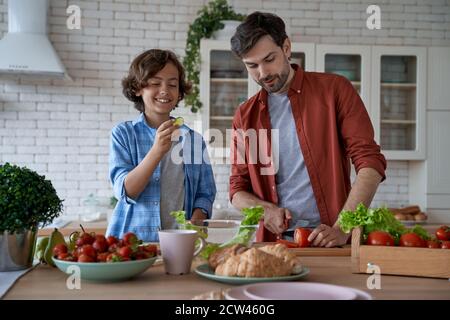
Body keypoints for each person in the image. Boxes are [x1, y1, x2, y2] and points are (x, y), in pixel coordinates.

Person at [228, 12, 386, 247]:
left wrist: (343, 227)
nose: (263, 74)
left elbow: (370, 164)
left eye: (269, 59)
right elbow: (237, 190)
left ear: (287, 47)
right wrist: (266, 210)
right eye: (252, 66)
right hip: (276, 244)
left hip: (334, 241)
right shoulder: (245, 115)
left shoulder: (335, 90)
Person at [107, 49, 216, 242]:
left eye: (172, 84)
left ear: (179, 92)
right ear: (138, 88)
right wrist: (157, 151)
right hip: (130, 244)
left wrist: (198, 219)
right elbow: (126, 192)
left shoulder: (194, 141)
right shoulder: (123, 134)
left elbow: (205, 193)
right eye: (155, 83)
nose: (165, 90)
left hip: (180, 242)